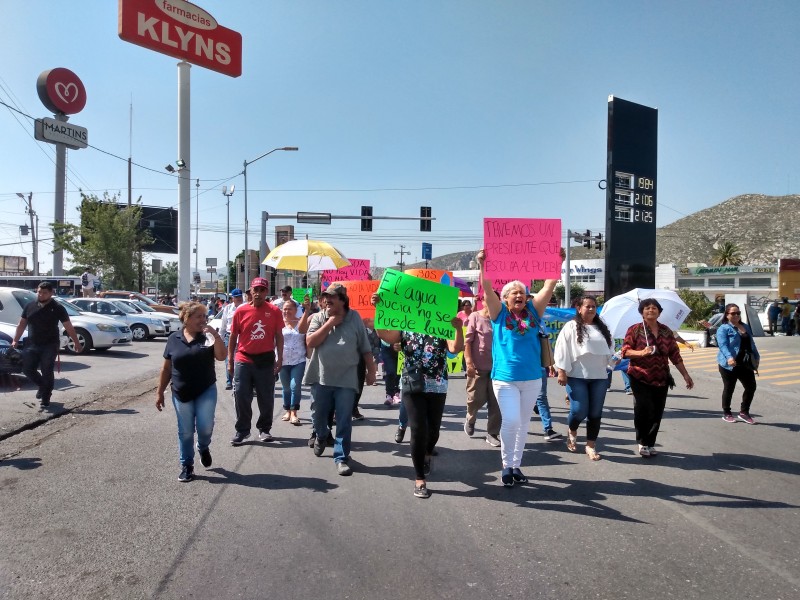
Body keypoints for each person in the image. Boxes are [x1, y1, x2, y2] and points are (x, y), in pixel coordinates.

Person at [477, 247, 564, 487]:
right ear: (504, 298)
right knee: (512, 420)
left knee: (524, 423)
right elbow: (486, 288)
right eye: (513, 292)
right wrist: (483, 264)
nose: (518, 295)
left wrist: (558, 260)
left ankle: (516, 465)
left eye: (522, 292)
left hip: (533, 378)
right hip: (505, 378)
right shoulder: (499, 314)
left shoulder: (534, 313)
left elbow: (548, 287)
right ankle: (506, 465)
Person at [374, 293, 464, 499]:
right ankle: (419, 478)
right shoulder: (407, 323)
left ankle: (427, 452)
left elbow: (455, 348)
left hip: (438, 384)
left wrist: (458, 328)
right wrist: (379, 309)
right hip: (412, 383)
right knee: (417, 429)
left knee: (433, 431)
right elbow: (385, 334)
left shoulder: (443, 325)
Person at [303, 283, 376, 476]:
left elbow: (365, 347)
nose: (327, 300)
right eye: (325, 296)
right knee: (318, 415)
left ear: (343, 300)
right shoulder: (319, 317)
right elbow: (310, 342)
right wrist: (329, 324)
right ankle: (321, 434)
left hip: (347, 378)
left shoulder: (355, 318)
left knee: (344, 419)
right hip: (321, 377)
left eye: (332, 297)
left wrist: (371, 370)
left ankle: (341, 457)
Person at [155, 302, 226, 482]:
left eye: (205, 316)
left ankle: (203, 446)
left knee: (205, 426)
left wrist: (215, 335)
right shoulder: (174, 339)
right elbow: (166, 369)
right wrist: (160, 392)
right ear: (186, 319)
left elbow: (221, 356)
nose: (203, 320)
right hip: (181, 392)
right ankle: (187, 465)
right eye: (199, 317)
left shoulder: (207, 337)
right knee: (185, 431)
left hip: (206, 389)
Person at [621, 299, 694, 457]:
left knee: (657, 411)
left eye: (654, 308)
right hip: (639, 375)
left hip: (661, 377)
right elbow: (625, 351)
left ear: (659, 312)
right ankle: (642, 442)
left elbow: (675, 355)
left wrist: (685, 375)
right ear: (642, 312)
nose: (651, 310)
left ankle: (650, 443)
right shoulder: (635, 330)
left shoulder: (666, 331)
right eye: (647, 308)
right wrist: (641, 353)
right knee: (643, 409)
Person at [554, 296, 614, 461]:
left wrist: (615, 359)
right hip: (576, 375)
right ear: (579, 308)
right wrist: (562, 371)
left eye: (594, 306)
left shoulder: (603, 328)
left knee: (595, 413)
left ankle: (590, 445)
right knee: (579, 410)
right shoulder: (571, 326)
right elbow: (561, 349)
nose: (591, 309)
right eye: (587, 306)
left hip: (600, 376)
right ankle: (572, 431)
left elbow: (610, 351)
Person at [228, 277, 283, 446]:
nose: (258, 293)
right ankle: (242, 430)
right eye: (255, 290)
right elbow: (233, 336)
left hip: (265, 359)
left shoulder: (274, 311)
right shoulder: (241, 311)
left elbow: (279, 336)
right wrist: (230, 359)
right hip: (244, 358)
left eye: (262, 290)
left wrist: (280, 358)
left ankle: (264, 429)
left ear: (266, 292)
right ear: (250, 292)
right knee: (241, 396)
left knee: (265, 397)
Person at [12, 281, 82, 409]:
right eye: (39, 292)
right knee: (27, 369)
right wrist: (15, 340)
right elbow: (22, 324)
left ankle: (45, 397)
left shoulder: (58, 308)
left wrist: (76, 342)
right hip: (32, 343)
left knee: (47, 370)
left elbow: (68, 326)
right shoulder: (30, 306)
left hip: (50, 344)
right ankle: (43, 386)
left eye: (44, 293)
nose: (41, 295)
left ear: (51, 293)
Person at [463, 300, 501, 447]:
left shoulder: (501, 318)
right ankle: (471, 418)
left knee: (496, 402)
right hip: (478, 367)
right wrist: (469, 362)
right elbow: (468, 341)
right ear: (483, 302)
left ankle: (492, 433)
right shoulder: (475, 316)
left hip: (498, 368)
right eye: (488, 298)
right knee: (475, 398)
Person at [716, 303, 760, 424]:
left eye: (738, 313)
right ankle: (727, 413)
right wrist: (729, 357)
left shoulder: (745, 326)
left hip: (745, 363)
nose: (736, 315)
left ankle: (744, 412)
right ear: (727, 314)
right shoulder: (723, 328)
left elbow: (751, 343)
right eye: (733, 313)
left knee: (751, 387)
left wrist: (756, 356)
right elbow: (723, 345)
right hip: (729, 364)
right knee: (729, 388)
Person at [279, 299, 310, 425]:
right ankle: (287, 410)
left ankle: (294, 412)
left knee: (294, 386)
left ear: (296, 310)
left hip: (298, 360)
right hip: (283, 360)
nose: (286, 311)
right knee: (286, 387)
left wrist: (307, 310)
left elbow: (304, 332)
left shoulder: (301, 323)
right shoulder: (279, 323)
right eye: (284, 309)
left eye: (289, 309)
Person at [219, 288, 244, 390]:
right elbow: (223, 325)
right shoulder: (228, 308)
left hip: (242, 336)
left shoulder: (246, 307)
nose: (238, 299)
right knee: (229, 359)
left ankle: (241, 380)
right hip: (230, 336)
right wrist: (220, 338)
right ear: (232, 298)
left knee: (242, 359)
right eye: (236, 297)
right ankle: (229, 380)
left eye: (240, 297)